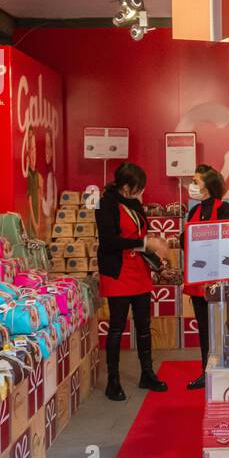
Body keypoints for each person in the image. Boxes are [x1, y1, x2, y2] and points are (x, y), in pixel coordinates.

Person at [96, 162, 169, 401]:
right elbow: (109, 241)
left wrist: (153, 252)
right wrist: (144, 243)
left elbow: (140, 235)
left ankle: (147, 373)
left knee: (144, 325)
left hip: (138, 270)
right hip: (117, 272)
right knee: (117, 327)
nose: (140, 192)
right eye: (137, 187)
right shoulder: (105, 202)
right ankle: (113, 381)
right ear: (126, 186)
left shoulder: (135, 204)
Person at [182, 164, 229, 390]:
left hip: (220, 281)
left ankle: (227, 369)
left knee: (222, 326)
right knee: (204, 328)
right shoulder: (194, 211)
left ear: (208, 187)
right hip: (198, 281)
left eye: (196, 182)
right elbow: (185, 239)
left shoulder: (224, 208)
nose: (191, 186)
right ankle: (207, 371)